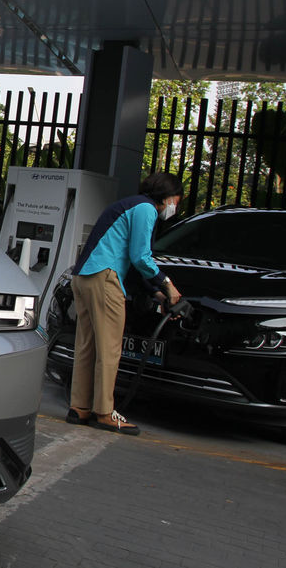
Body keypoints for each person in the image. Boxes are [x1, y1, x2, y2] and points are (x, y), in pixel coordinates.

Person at [66, 172, 183, 435]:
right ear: (168, 195)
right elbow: (140, 257)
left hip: (84, 277)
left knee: (87, 345)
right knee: (109, 348)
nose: (177, 205)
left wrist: (157, 295)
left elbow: (129, 263)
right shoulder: (146, 209)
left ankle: (80, 407)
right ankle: (105, 413)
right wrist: (167, 284)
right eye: (177, 199)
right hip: (104, 279)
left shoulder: (129, 204)